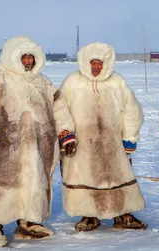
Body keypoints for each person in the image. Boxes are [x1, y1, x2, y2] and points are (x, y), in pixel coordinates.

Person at [0, 36, 77, 247]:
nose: (27, 62)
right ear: (13, 57)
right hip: (2, 144)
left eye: (31, 58)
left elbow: (59, 108)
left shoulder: (42, 82)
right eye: (23, 57)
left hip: (37, 145)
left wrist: (66, 133)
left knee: (32, 181)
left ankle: (26, 222)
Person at [60, 42, 148, 232]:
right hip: (83, 143)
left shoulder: (117, 82)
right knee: (86, 176)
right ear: (85, 62)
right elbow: (60, 110)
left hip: (113, 142)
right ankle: (89, 215)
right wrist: (66, 134)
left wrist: (130, 137)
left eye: (100, 63)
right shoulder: (72, 82)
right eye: (93, 63)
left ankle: (124, 214)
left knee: (118, 176)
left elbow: (132, 110)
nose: (96, 67)